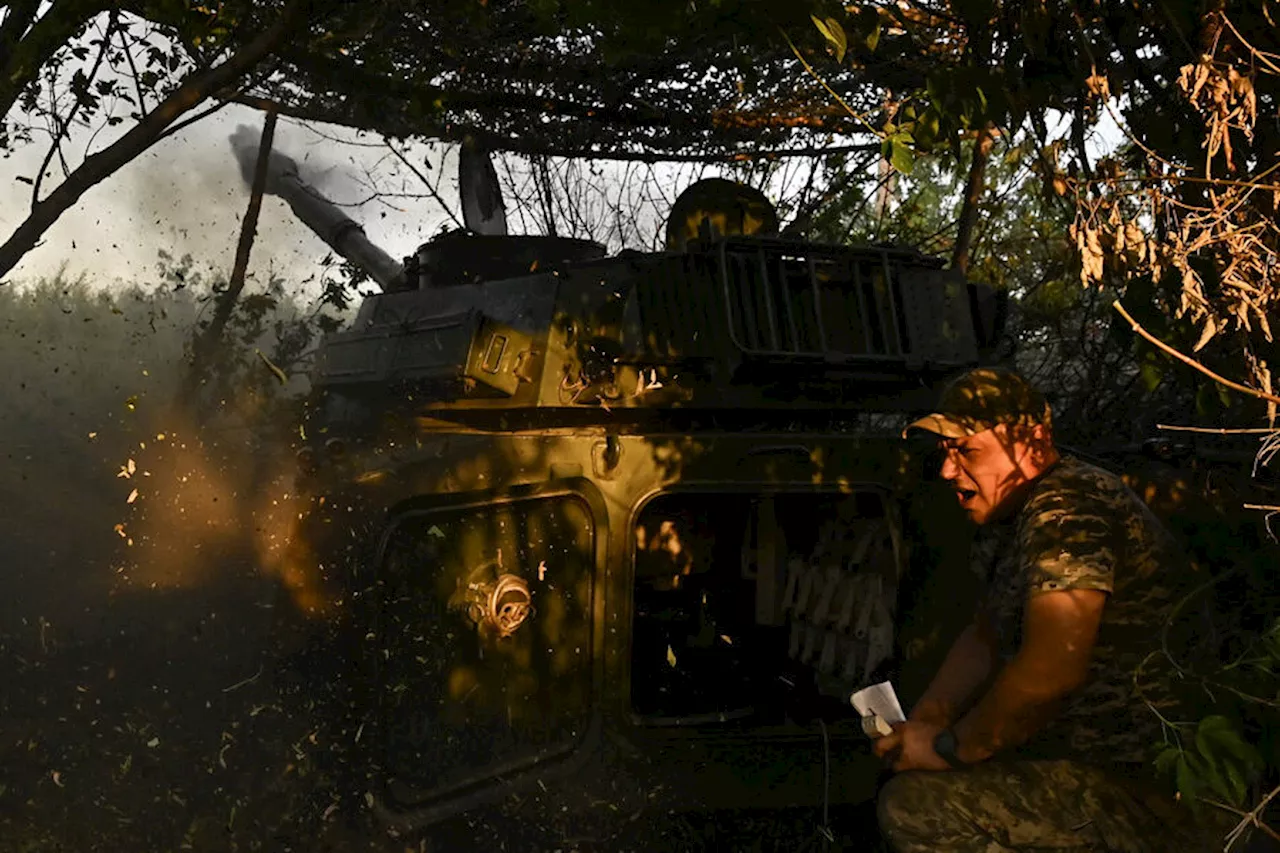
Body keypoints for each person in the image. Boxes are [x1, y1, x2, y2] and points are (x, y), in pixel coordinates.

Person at [874, 366, 1228, 853]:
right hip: (1087, 761)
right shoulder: (1011, 513)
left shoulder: (1067, 507)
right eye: (945, 453)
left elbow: (1052, 669)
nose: (948, 471)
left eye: (968, 451)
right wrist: (929, 719)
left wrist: (949, 749)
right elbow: (986, 632)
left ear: (1034, 442)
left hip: (1151, 786)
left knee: (913, 809)